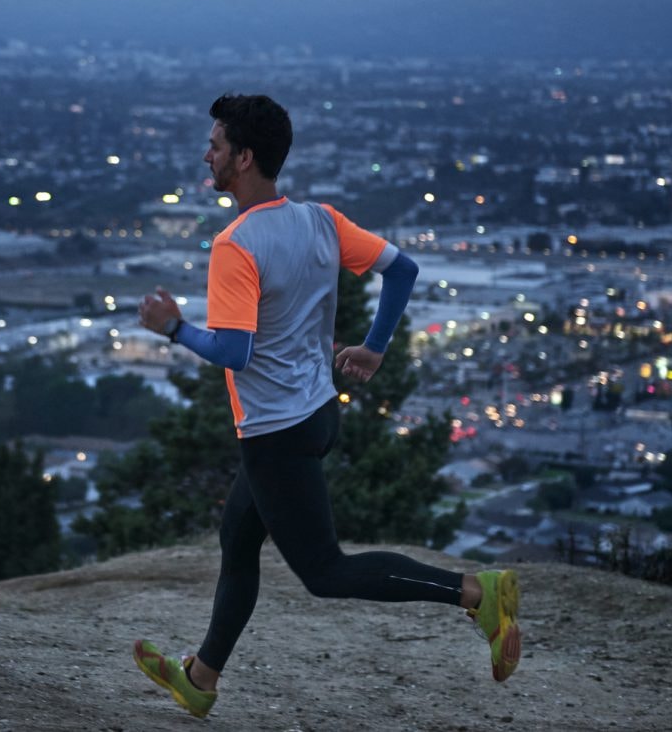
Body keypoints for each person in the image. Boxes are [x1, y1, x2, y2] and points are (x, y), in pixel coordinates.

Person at [132, 93, 521, 719]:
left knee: (325, 572)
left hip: (276, 431)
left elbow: (233, 350)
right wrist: (373, 348)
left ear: (245, 156)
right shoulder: (320, 220)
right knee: (238, 537)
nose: (207, 155)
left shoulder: (235, 245)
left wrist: (172, 328)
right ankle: (200, 678)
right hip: (317, 411)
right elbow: (403, 270)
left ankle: (478, 593)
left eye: (216, 145)